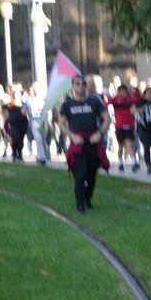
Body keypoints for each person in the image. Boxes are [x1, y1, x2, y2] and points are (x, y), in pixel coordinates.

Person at [55, 73, 109, 214]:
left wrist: (99, 133)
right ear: (73, 86)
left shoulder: (95, 102)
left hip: (93, 141)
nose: (81, 86)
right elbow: (61, 123)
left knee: (91, 174)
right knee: (80, 174)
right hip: (77, 143)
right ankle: (80, 205)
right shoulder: (67, 104)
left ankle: (87, 198)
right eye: (77, 84)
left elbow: (107, 119)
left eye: (83, 84)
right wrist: (72, 135)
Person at [3, 94, 30, 162]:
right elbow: (4, 110)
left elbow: (26, 112)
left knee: (20, 139)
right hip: (13, 124)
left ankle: (19, 154)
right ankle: (15, 153)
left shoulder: (24, 104)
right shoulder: (10, 105)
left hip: (23, 123)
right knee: (15, 138)